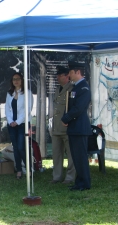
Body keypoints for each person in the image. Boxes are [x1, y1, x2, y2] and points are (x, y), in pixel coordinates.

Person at [61, 61, 91, 191]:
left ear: (78, 72)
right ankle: (79, 182)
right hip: (73, 127)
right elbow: (69, 106)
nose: (69, 75)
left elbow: (79, 108)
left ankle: (84, 183)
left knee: (81, 157)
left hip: (80, 128)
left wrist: (67, 117)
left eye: (71, 72)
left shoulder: (84, 88)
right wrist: (65, 116)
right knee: (75, 157)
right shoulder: (75, 87)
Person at [5, 72, 33, 179]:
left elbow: (28, 110)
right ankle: (19, 170)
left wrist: (17, 122)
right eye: (14, 79)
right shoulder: (9, 93)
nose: (16, 81)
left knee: (22, 147)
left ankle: (29, 168)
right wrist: (11, 121)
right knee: (15, 148)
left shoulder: (27, 93)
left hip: (23, 124)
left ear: (22, 80)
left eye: (18, 79)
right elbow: (7, 109)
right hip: (11, 125)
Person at [51, 66, 76, 184]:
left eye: (60, 75)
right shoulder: (57, 89)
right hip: (56, 127)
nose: (58, 77)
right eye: (57, 75)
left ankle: (70, 177)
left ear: (67, 76)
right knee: (56, 154)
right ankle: (57, 176)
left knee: (71, 155)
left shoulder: (72, 89)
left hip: (67, 127)